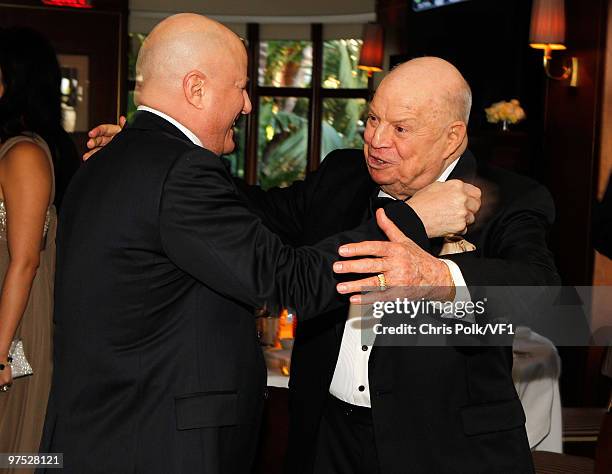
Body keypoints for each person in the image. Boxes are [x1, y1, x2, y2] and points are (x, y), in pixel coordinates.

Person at [40, 15, 478, 474]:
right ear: (196, 90)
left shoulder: (108, 162)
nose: (249, 105)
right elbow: (288, 278)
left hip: (434, 450)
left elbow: (544, 310)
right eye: (372, 119)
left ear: (452, 138)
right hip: (157, 441)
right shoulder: (182, 172)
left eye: (400, 127)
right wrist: (414, 220)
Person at [0, 27, 77, 471]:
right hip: (10, 319)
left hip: (19, 331)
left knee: (18, 453)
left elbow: (26, 260)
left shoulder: (25, 154)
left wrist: (2, 350)